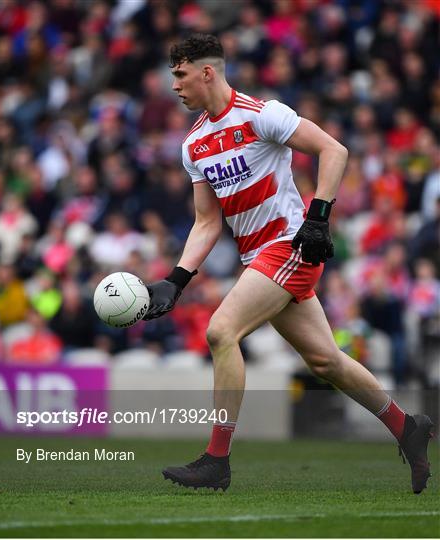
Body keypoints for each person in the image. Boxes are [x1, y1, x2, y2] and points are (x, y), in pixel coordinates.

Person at [143, 34, 434, 494]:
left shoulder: (262, 114)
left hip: (290, 247)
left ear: (206, 71)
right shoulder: (193, 145)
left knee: (221, 332)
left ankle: (216, 460)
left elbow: (334, 150)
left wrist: (318, 217)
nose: (173, 85)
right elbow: (205, 223)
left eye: (179, 74)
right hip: (259, 259)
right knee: (326, 360)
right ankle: (407, 426)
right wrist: (176, 280)